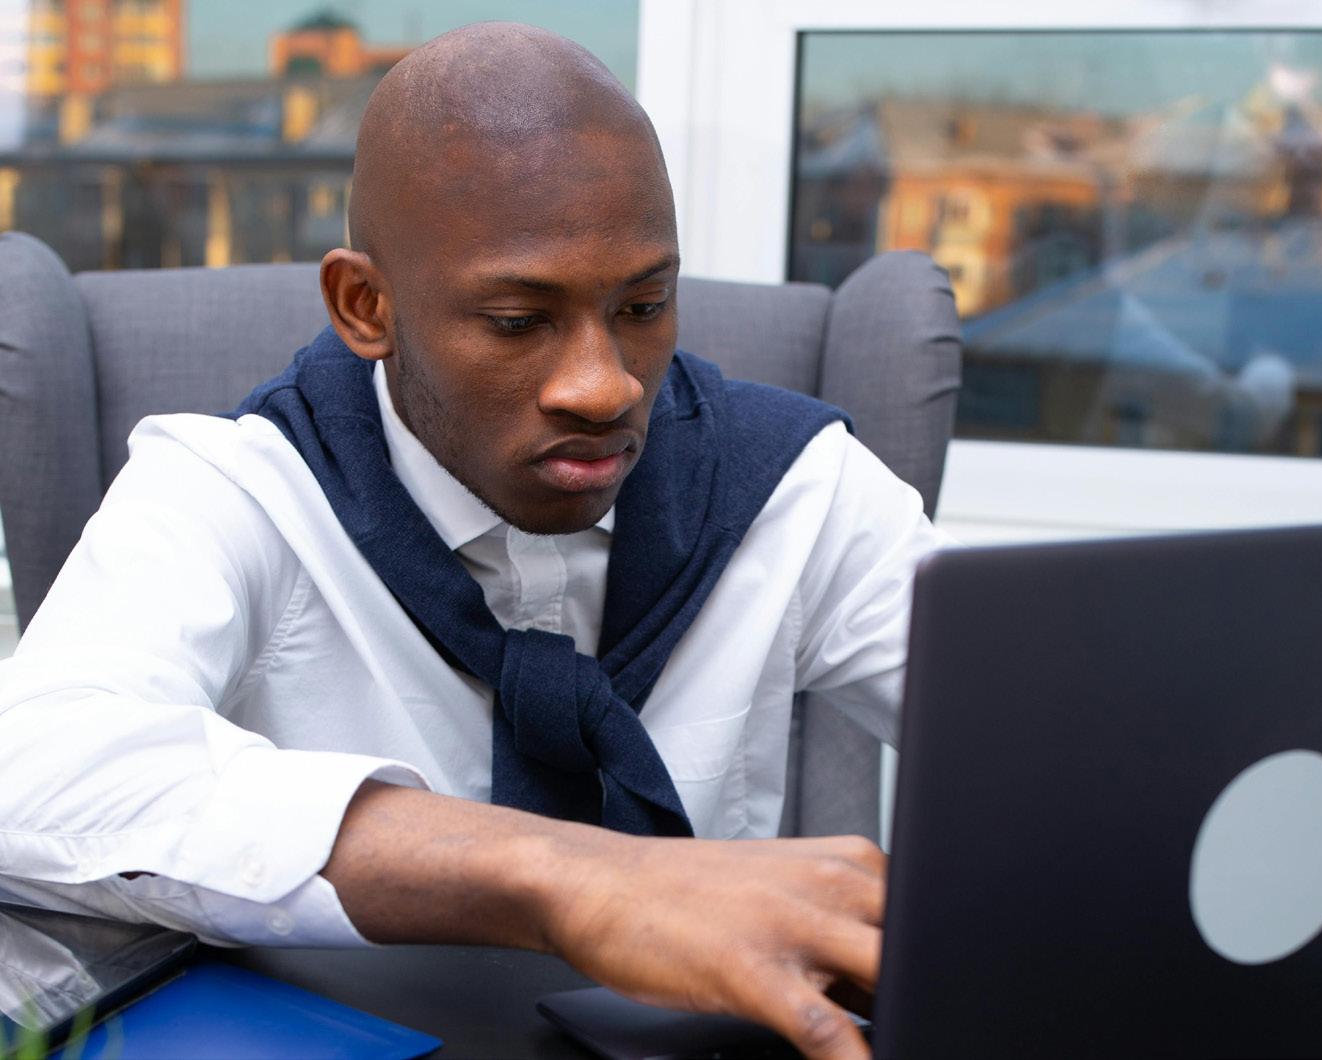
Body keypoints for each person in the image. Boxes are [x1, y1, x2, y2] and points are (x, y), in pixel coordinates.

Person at [0, 23, 946, 1060]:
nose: (604, 387)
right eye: (515, 321)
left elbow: (1051, 745)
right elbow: (35, 772)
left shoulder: (798, 489)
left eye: (642, 305)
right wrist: (572, 876)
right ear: (366, 305)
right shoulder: (236, 488)